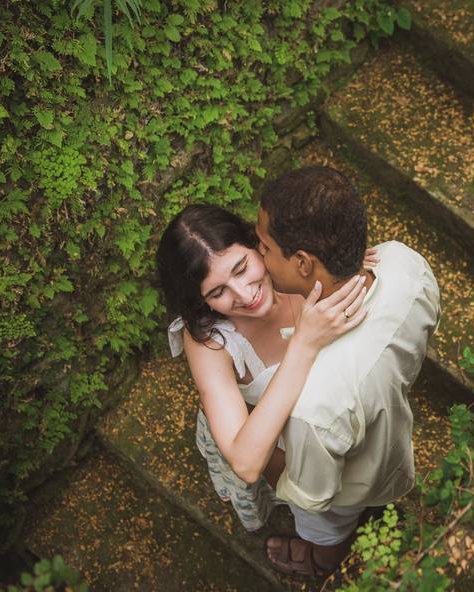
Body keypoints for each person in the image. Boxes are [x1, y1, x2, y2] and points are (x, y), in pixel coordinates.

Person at [254, 166, 441, 577]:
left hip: (349, 486)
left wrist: (258, 440)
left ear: (303, 263)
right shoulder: (406, 264)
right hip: (388, 428)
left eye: (264, 246)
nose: (258, 256)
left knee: (326, 528)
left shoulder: (315, 404)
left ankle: (321, 563)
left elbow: (310, 494)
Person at [156, 204, 372, 532]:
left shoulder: (300, 262)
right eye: (217, 292)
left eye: (241, 268)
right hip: (268, 442)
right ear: (202, 302)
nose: (244, 295)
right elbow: (245, 462)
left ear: (257, 244)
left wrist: (343, 264)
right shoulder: (209, 341)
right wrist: (304, 344)